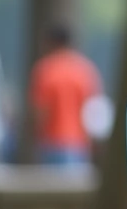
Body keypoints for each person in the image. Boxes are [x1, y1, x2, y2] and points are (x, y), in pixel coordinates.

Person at [28, 25, 102, 166]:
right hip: (80, 144)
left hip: (51, 143)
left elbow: (41, 112)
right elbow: (94, 112)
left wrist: (34, 137)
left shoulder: (45, 70)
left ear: (51, 42)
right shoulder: (85, 70)